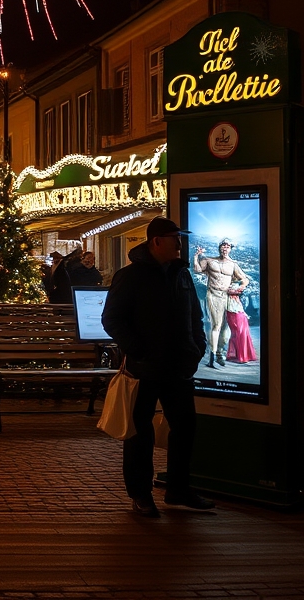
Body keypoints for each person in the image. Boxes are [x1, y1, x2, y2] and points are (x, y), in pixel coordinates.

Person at [101, 216, 214, 517]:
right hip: (145, 369)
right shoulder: (131, 276)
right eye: (174, 238)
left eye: (180, 238)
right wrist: (138, 349)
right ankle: (141, 494)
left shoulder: (181, 275)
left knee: (185, 427)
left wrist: (196, 347)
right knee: (140, 433)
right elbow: (112, 319)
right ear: (156, 242)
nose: (180, 244)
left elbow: (195, 316)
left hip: (179, 366)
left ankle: (178, 489)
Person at [193, 239, 250, 369]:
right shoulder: (209, 260)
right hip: (213, 294)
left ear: (230, 249)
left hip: (227, 296)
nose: (225, 248)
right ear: (219, 248)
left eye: (228, 246)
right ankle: (213, 356)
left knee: (225, 327)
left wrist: (239, 288)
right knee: (216, 324)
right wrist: (196, 256)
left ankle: (219, 353)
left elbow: (244, 279)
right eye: (223, 245)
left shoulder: (233, 264)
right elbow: (197, 270)